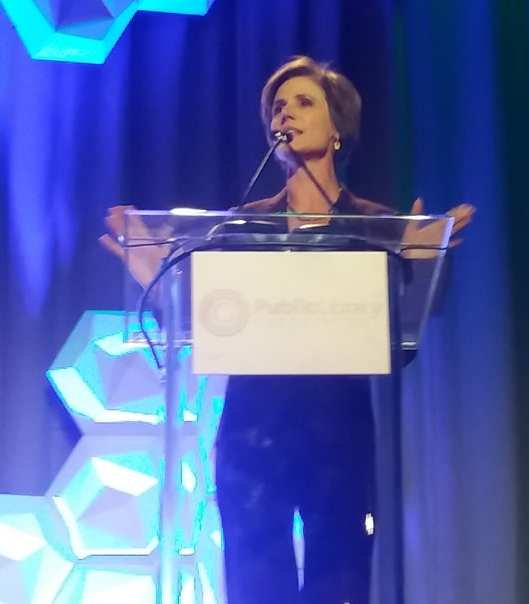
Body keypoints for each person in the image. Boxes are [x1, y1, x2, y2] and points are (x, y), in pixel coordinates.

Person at [101, 56, 474, 604]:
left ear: (338, 126)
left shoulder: (373, 225)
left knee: (340, 582)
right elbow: (206, 323)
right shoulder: (240, 226)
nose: (287, 113)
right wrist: (160, 285)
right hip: (253, 436)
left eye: (304, 103)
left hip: (338, 436)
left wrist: (414, 266)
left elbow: (400, 340)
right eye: (278, 106)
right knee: (256, 587)